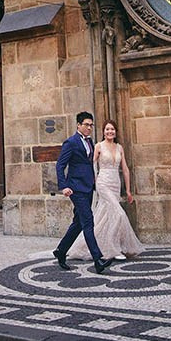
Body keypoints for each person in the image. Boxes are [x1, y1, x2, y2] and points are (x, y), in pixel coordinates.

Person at [67, 120, 145, 261]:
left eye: (112, 129)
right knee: (119, 214)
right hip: (103, 183)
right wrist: (94, 182)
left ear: (115, 132)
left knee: (106, 216)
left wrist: (128, 190)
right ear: (103, 131)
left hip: (115, 183)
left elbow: (125, 169)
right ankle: (112, 249)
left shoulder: (119, 147)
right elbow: (90, 165)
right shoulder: (98, 146)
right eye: (107, 129)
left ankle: (90, 246)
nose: (110, 132)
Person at [52, 112, 115, 275]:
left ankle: (61, 251)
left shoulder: (90, 142)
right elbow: (60, 165)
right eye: (86, 124)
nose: (89, 128)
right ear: (78, 125)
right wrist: (64, 186)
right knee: (88, 221)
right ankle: (98, 259)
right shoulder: (71, 142)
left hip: (87, 187)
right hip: (75, 188)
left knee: (79, 223)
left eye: (91, 125)